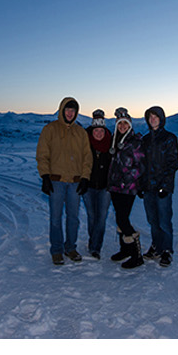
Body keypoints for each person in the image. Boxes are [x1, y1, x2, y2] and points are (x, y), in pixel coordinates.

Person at [36, 97, 92, 265]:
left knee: (73, 217)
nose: (70, 113)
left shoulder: (80, 132)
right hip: (56, 181)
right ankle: (57, 250)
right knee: (55, 217)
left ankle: (70, 247)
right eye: (67, 110)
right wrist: (45, 176)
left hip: (75, 182)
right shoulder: (50, 129)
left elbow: (87, 158)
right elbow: (42, 154)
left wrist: (85, 178)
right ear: (61, 110)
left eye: (73, 110)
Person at [139, 106, 178, 267]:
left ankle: (167, 250)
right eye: (150, 117)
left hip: (163, 188)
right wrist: (141, 185)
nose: (153, 119)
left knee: (164, 221)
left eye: (155, 116)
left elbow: (173, 163)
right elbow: (142, 164)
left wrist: (165, 185)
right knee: (153, 220)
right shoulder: (145, 139)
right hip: (148, 187)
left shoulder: (169, 138)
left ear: (161, 119)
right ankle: (156, 247)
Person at [105, 108, 146, 268]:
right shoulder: (115, 140)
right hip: (115, 187)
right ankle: (125, 250)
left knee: (123, 219)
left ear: (130, 125)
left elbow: (140, 166)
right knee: (119, 218)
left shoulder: (135, 142)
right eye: (120, 123)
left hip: (128, 188)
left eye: (125, 123)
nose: (122, 126)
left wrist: (128, 178)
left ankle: (136, 255)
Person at [83, 109, 112, 259]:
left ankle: (95, 247)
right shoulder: (85, 142)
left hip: (105, 187)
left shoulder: (111, 143)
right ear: (92, 130)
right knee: (91, 216)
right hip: (88, 186)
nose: (99, 134)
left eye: (101, 130)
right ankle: (92, 241)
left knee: (101, 217)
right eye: (96, 131)